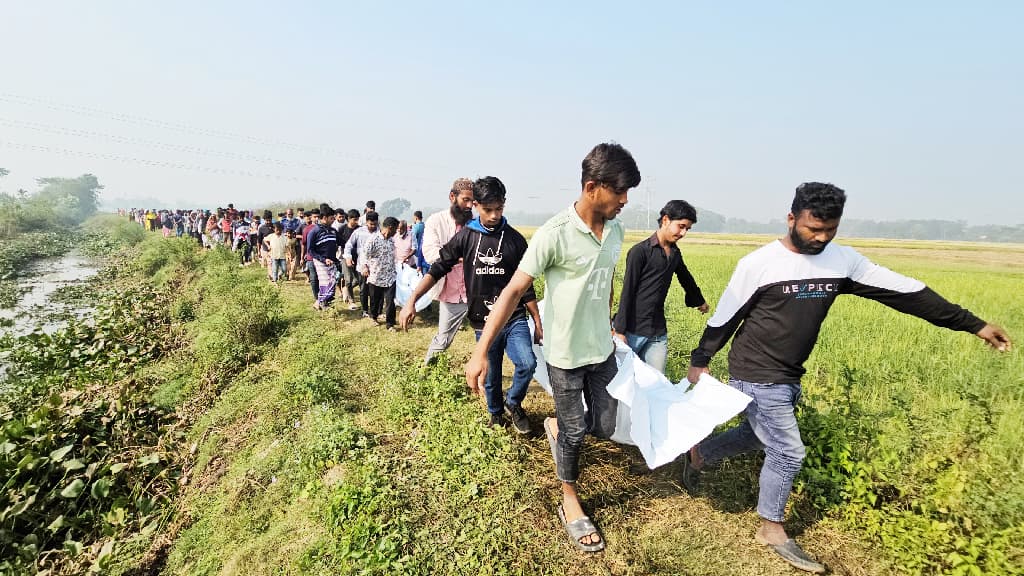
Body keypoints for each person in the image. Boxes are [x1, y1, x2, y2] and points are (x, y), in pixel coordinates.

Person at [681, 182, 1013, 573]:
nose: (820, 238)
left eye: (829, 230)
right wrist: (700, 360)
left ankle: (702, 454)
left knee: (758, 434)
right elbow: (725, 316)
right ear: (791, 219)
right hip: (754, 371)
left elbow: (907, 293)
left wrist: (973, 325)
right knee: (788, 451)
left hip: (789, 374)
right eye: (811, 229)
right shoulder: (759, 263)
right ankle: (770, 527)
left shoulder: (841, 262)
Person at [466, 143, 641, 552]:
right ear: (593, 186)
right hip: (564, 355)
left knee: (604, 424)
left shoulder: (615, 230)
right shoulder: (554, 234)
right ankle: (570, 501)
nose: (625, 201)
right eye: (620, 192)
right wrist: (480, 352)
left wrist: (612, 323)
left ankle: (558, 428)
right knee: (578, 431)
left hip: (601, 350)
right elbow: (512, 292)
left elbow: (606, 278)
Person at [403, 176, 541, 433]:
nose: (493, 215)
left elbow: (526, 286)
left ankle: (513, 403)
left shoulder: (515, 241)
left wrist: (537, 321)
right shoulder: (467, 237)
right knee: (491, 373)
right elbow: (438, 268)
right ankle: (496, 414)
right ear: (476, 205)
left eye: (498, 209)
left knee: (527, 363)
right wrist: (412, 300)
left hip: (514, 317)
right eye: (487, 210)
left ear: (504, 204)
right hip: (482, 319)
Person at [612, 199, 709, 374]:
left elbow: (685, 277)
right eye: (681, 226)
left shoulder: (674, 252)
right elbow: (628, 290)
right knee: (624, 381)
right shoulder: (639, 252)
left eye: (687, 229)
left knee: (656, 383)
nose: (683, 233)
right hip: (632, 330)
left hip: (657, 332)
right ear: (665, 220)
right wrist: (619, 331)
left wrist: (699, 301)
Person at [421, 178, 474, 364]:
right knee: (443, 340)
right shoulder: (436, 221)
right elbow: (430, 253)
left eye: (472, 202)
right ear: (452, 197)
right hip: (451, 292)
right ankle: (426, 373)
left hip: (475, 290)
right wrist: (458, 258)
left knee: (488, 338)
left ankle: (485, 379)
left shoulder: (475, 224)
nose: (469, 206)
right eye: (465, 200)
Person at [362, 216, 399, 330]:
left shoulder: (391, 241)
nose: (396, 232)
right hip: (376, 276)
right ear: (390, 228)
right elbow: (364, 254)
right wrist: (364, 267)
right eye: (395, 229)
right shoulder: (373, 239)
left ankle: (390, 324)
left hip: (390, 276)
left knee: (390, 301)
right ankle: (374, 317)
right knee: (375, 299)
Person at [343, 211, 379, 316]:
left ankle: (375, 310)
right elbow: (348, 245)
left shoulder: (380, 233)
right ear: (366, 222)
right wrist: (348, 257)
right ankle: (365, 310)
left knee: (375, 290)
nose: (372, 226)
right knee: (364, 289)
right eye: (370, 224)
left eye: (374, 224)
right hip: (361, 265)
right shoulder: (359, 232)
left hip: (376, 266)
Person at [307, 204, 338, 310]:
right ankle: (324, 305)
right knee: (325, 283)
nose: (333, 220)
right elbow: (310, 250)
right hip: (320, 261)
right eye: (331, 218)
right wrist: (323, 259)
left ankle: (321, 303)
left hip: (332, 261)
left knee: (333, 282)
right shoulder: (314, 231)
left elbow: (342, 242)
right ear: (324, 218)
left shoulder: (333, 231)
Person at [336, 209, 361, 305]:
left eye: (357, 219)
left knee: (359, 279)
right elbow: (339, 244)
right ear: (349, 219)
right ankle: (351, 301)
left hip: (357, 257)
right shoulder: (342, 229)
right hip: (345, 257)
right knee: (348, 279)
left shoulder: (359, 229)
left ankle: (345, 288)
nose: (356, 222)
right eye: (354, 219)